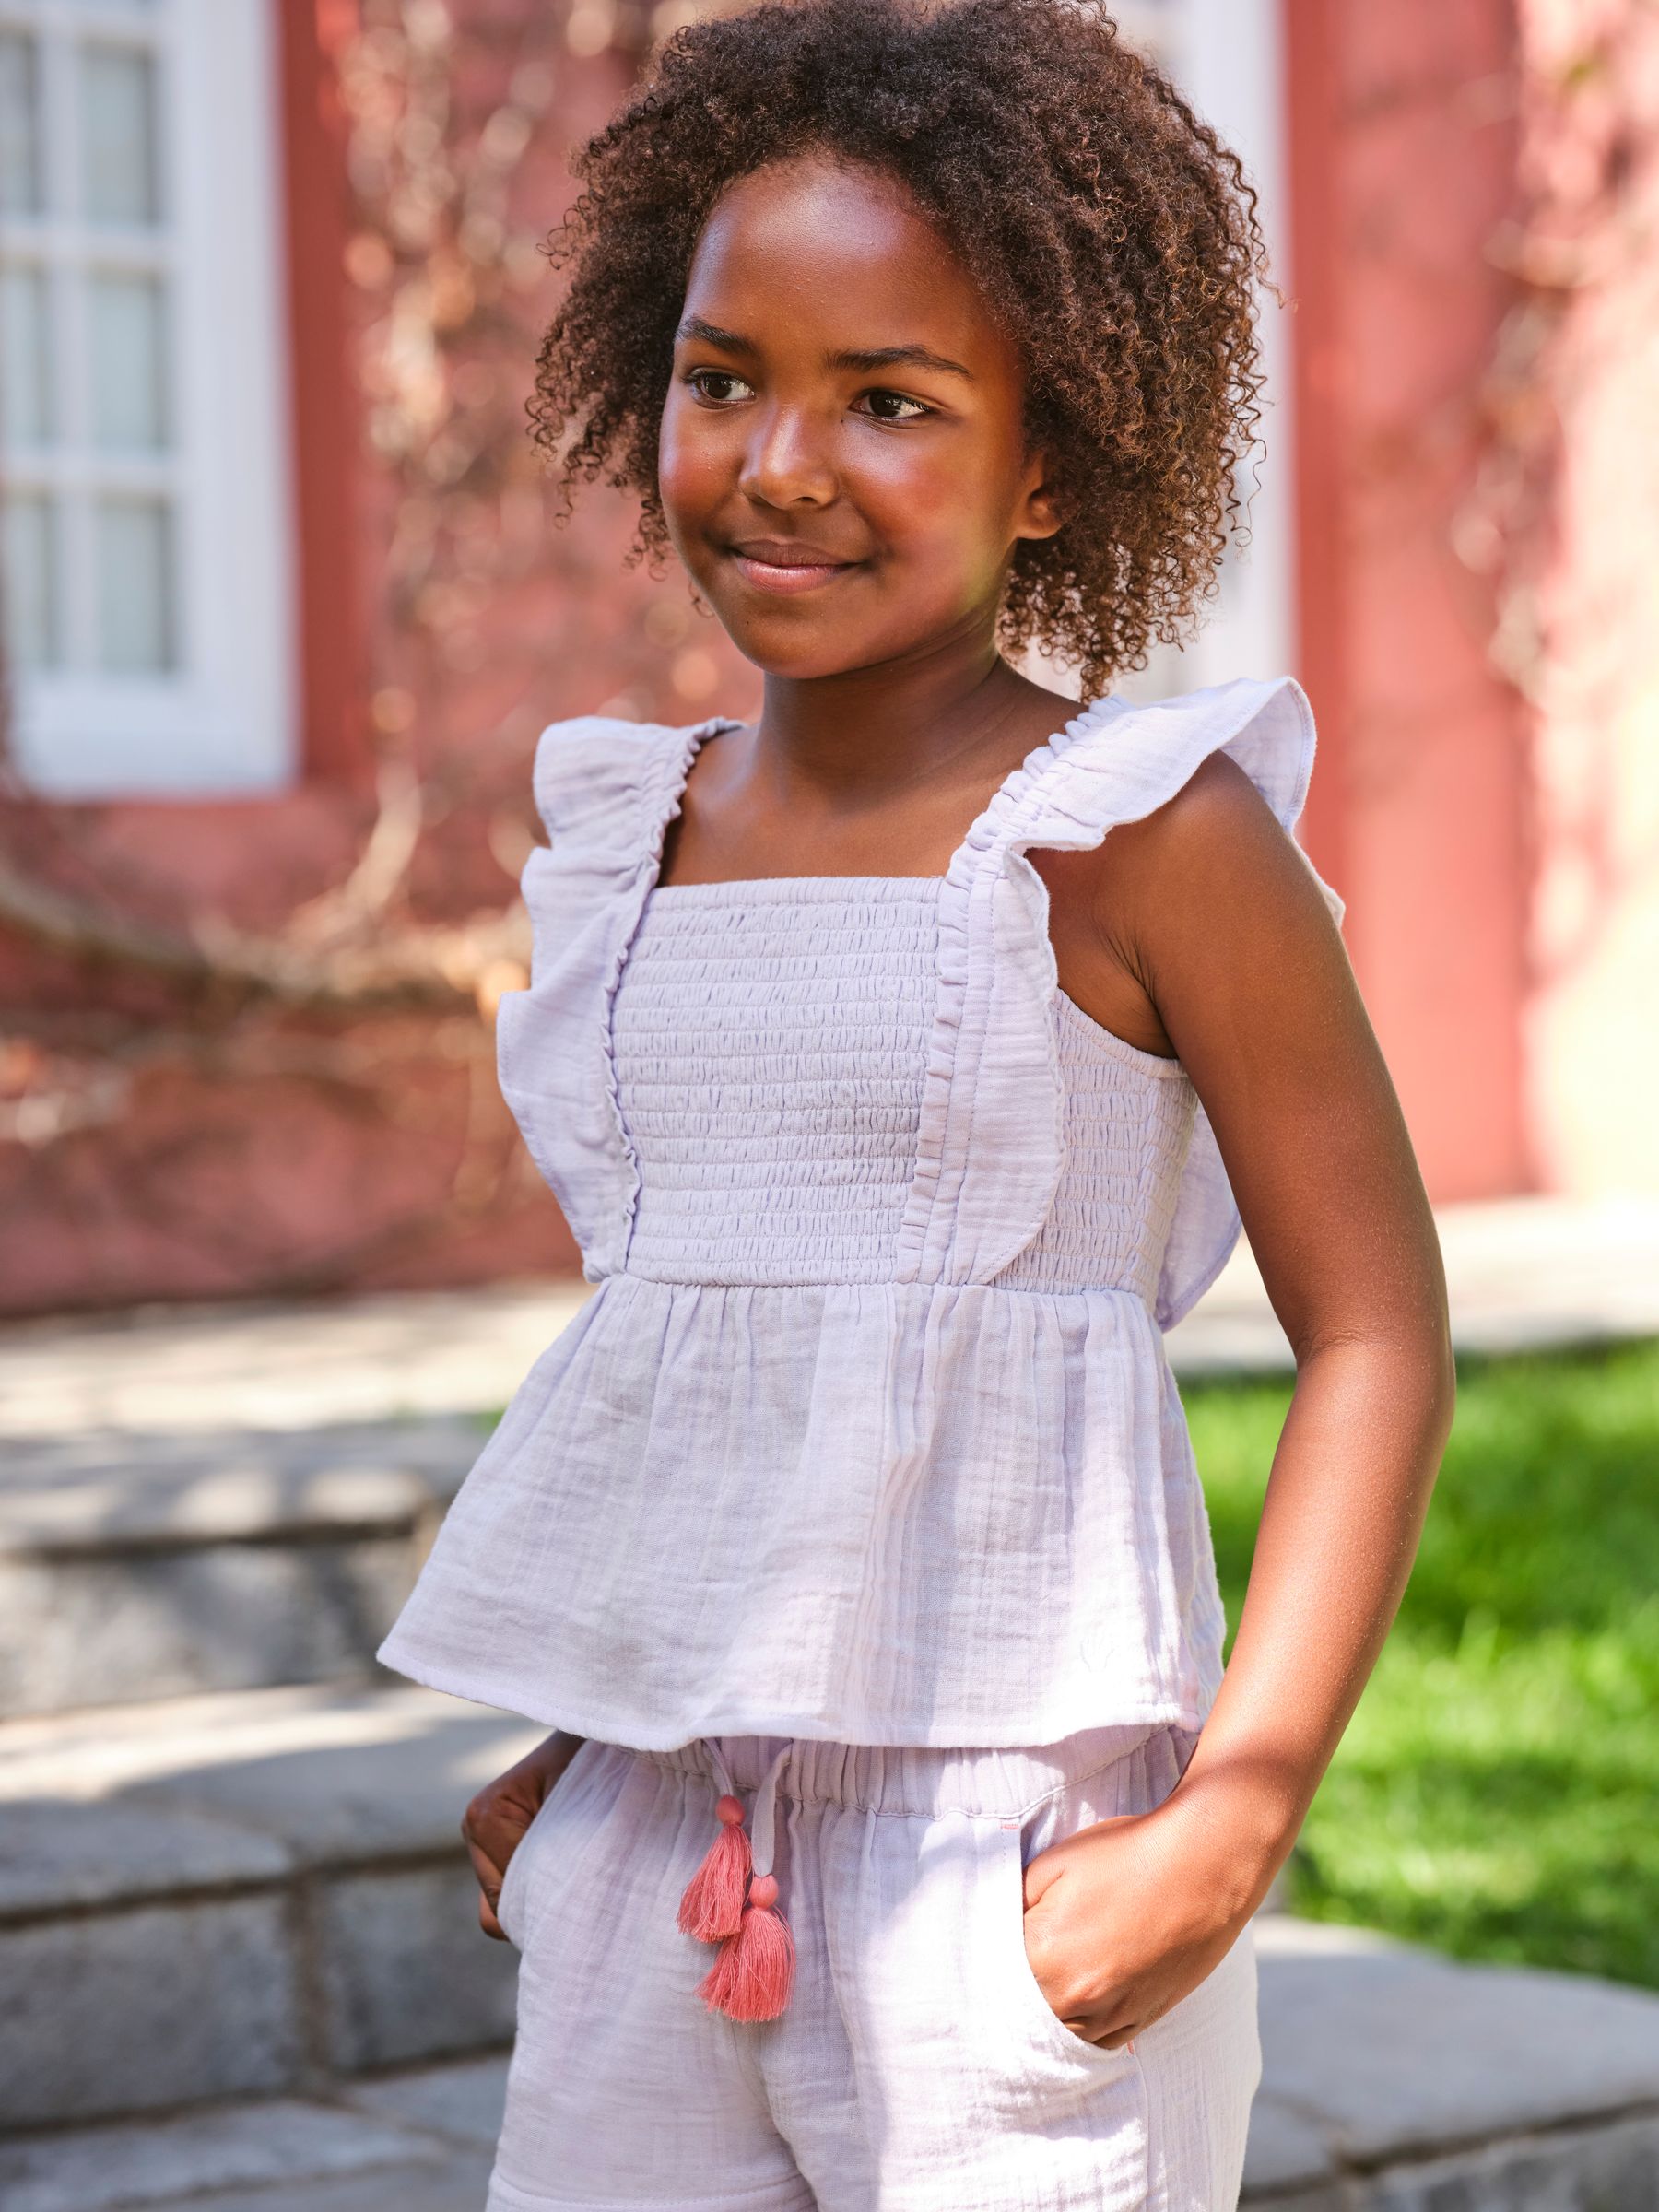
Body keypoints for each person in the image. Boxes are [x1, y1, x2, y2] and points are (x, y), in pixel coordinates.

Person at [377, 1, 1454, 2205]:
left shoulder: (1140, 833)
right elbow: (743, 1370)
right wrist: (591, 1743)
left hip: (1025, 1873)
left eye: (892, 402)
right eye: (723, 378)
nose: (782, 462)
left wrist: (1236, 1813)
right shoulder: (627, 837)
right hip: (658, 1847)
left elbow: (1379, 1333)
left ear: (1052, 462)